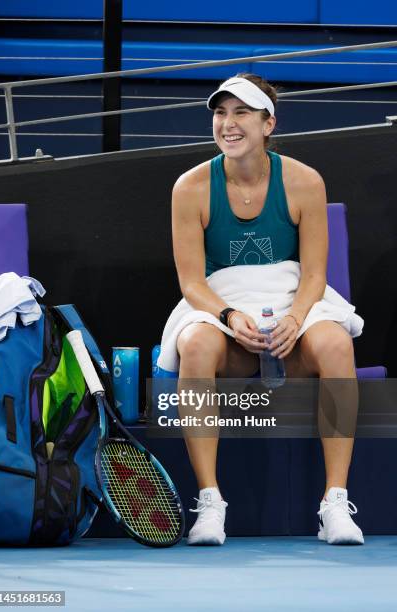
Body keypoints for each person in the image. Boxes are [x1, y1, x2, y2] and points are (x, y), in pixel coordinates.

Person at [170, 74, 363, 546]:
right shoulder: (190, 187)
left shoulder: (304, 181)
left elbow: (315, 275)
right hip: (222, 307)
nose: (227, 124)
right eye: (220, 113)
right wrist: (230, 317)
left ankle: (334, 501)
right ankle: (210, 501)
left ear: (268, 123)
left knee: (336, 344)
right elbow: (193, 283)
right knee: (194, 344)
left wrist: (296, 319)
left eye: (241, 113)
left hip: (292, 301)